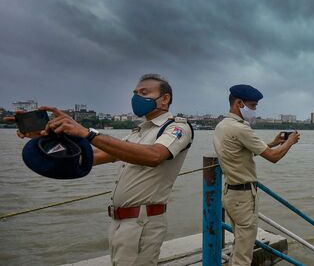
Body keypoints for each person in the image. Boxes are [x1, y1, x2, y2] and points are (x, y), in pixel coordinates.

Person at [6, 74, 193, 266]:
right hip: (120, 222)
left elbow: (154, 156)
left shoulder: (177, 127)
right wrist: (46, 139)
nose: (137, 98)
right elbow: (89, 157)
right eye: (135, 93)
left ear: (165, 98)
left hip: (142, 223)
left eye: (144, 93)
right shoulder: (139, 132)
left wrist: (87, 133)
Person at [213, 84, 299, 266]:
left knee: (239, 243)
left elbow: (242, 152)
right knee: (244, 254)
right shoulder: (240, 129)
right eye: (252, 105)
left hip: (230, 193)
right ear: (239, 103)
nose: (254, 110)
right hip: (243, 196)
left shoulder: (222, 126)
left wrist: (274, 142)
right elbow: (273, 158)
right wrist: (289, 142)